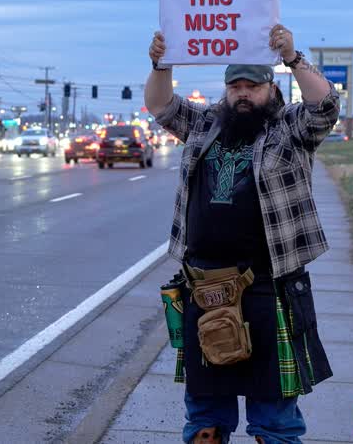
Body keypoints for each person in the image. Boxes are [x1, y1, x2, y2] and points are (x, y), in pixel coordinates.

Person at [144, 25, 340, 444]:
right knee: (205, 422)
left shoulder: (290, 128)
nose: (243, 93)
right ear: (226, 90)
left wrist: (292, 57)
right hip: (204, 288)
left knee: (274, 423)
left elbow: (325, 106)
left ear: (271, 88)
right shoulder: (205, 124)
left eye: (253, 85)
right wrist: (161, 63)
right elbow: (161, 105)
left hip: (269, 287)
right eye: (236, 85)